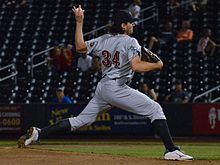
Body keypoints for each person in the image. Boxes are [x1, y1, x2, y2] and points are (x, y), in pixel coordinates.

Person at [17, 5, 193, 161]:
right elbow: (136, 66)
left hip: (104, 87)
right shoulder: (131, 41)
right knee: (155, 109)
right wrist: (157, 65)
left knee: (80, 121)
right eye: (130, 23)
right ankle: (171, 150)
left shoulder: (103, 39)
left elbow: (79, 47)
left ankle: (38, 133)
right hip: (116, 87)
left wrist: (79, 22)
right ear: (124, 25)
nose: (133, 25)